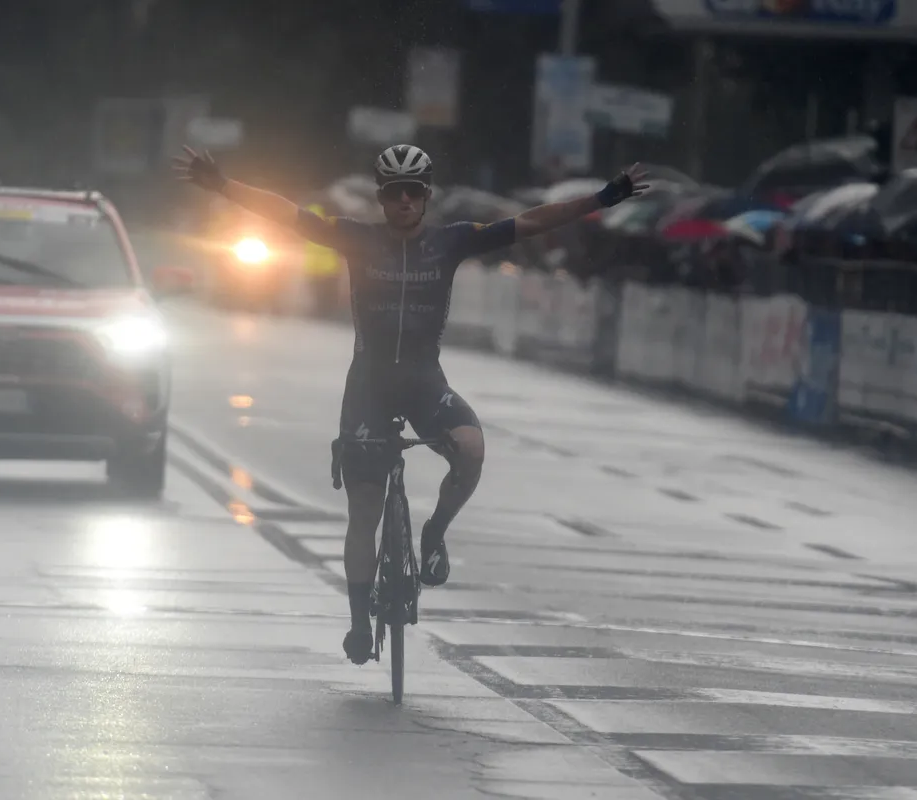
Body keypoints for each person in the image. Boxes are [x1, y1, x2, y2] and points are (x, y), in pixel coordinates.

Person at [174, 143, 649, 665]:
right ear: (381, 198)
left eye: (413, 192)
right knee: (364, 510)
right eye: (393, 193)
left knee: (471, 447)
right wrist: (223, 185)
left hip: (425, 382)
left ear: (426, 197)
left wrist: (604, 198)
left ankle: (435, 531)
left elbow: (532, 221)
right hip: (368, 387)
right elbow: (286, 214)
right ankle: (358, 621)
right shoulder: (355, 239)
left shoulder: (450, 242)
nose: (403, 201)